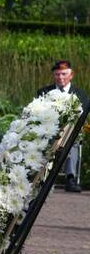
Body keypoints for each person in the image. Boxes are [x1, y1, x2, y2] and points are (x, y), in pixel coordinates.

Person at [37, 61, 89, 192]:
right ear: (53, 75)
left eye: (64, 74)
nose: (61, 77)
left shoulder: (80, 94)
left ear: (71, 75)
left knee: (73, 140)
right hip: (48, 131)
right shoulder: (43, 92)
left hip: (70, 132)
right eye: (57, 74)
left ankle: (70, 179)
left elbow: (82, 117)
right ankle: (43, 177)